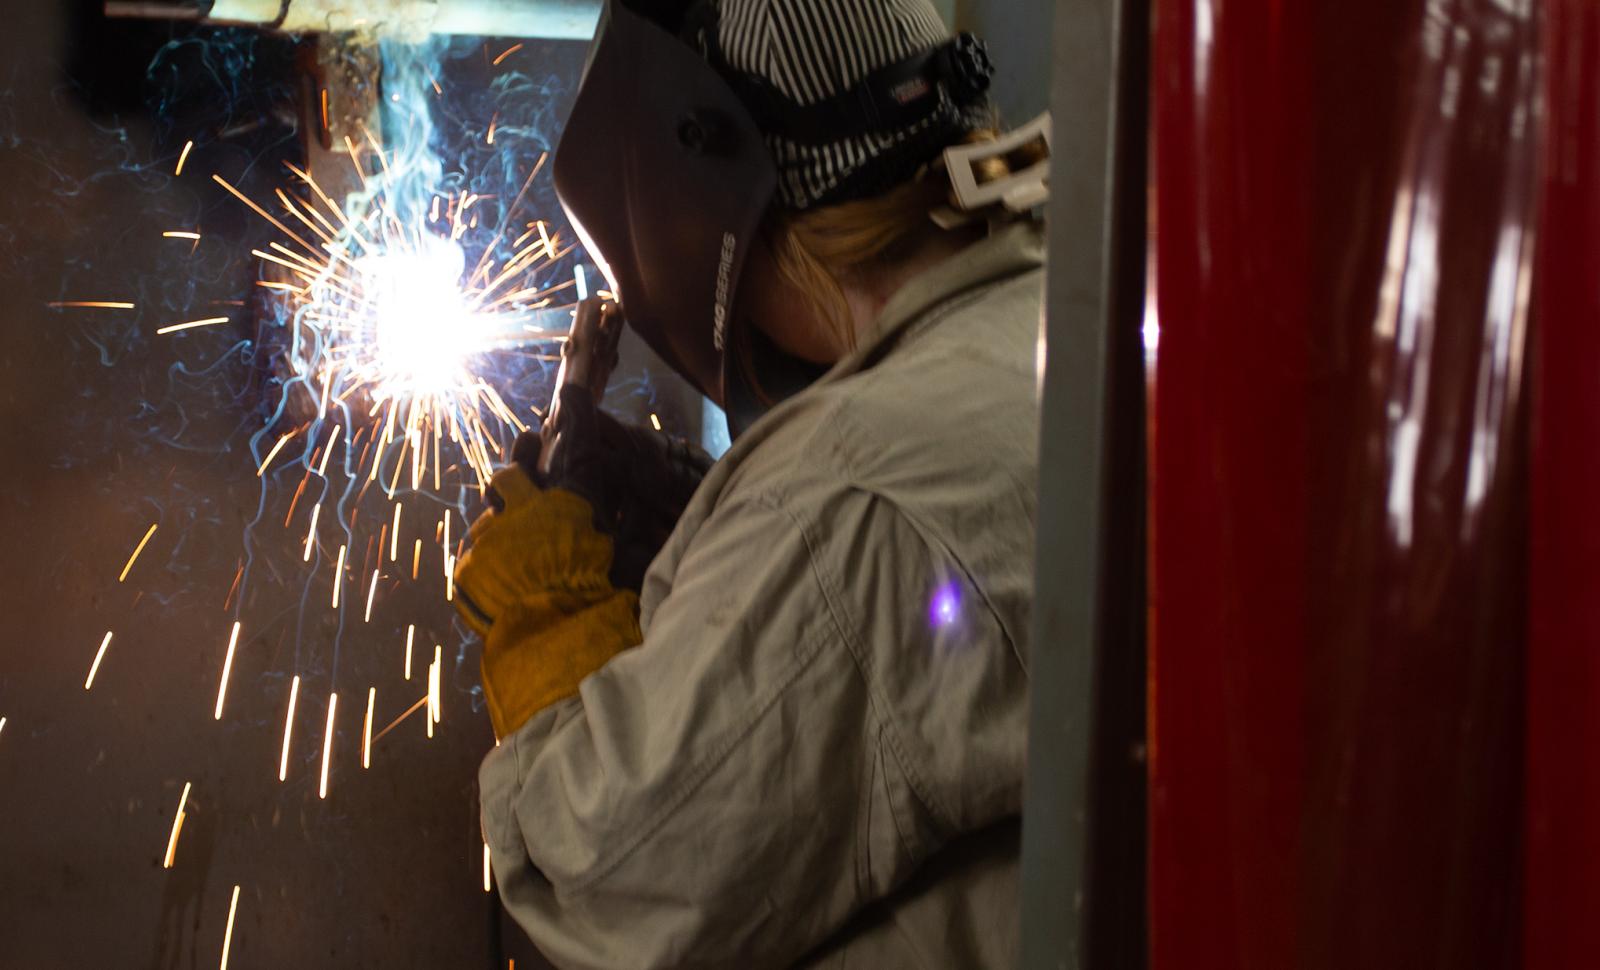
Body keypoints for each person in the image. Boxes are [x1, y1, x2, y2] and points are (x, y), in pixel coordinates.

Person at [453, 0, 1048, 966]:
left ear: (700, 187)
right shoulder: (1067, 307)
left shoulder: (842, 495)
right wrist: (704, 522)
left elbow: (608, 879)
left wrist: (551, 614)